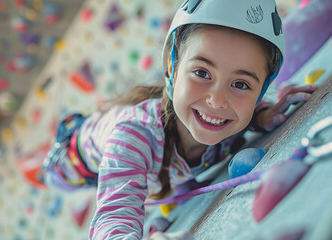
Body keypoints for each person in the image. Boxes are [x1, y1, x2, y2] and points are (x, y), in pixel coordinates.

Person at [40, 0, 318, 239]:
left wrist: (262, 116)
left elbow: (242, 112)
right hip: (73, 157)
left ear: (259, 94)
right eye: (202, 73)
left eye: (241, 85)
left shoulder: (231, 118)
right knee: (54, 177)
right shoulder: (134, 135)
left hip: (145, 141)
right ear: (172, 67)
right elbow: (114, 214)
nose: (217, 101)